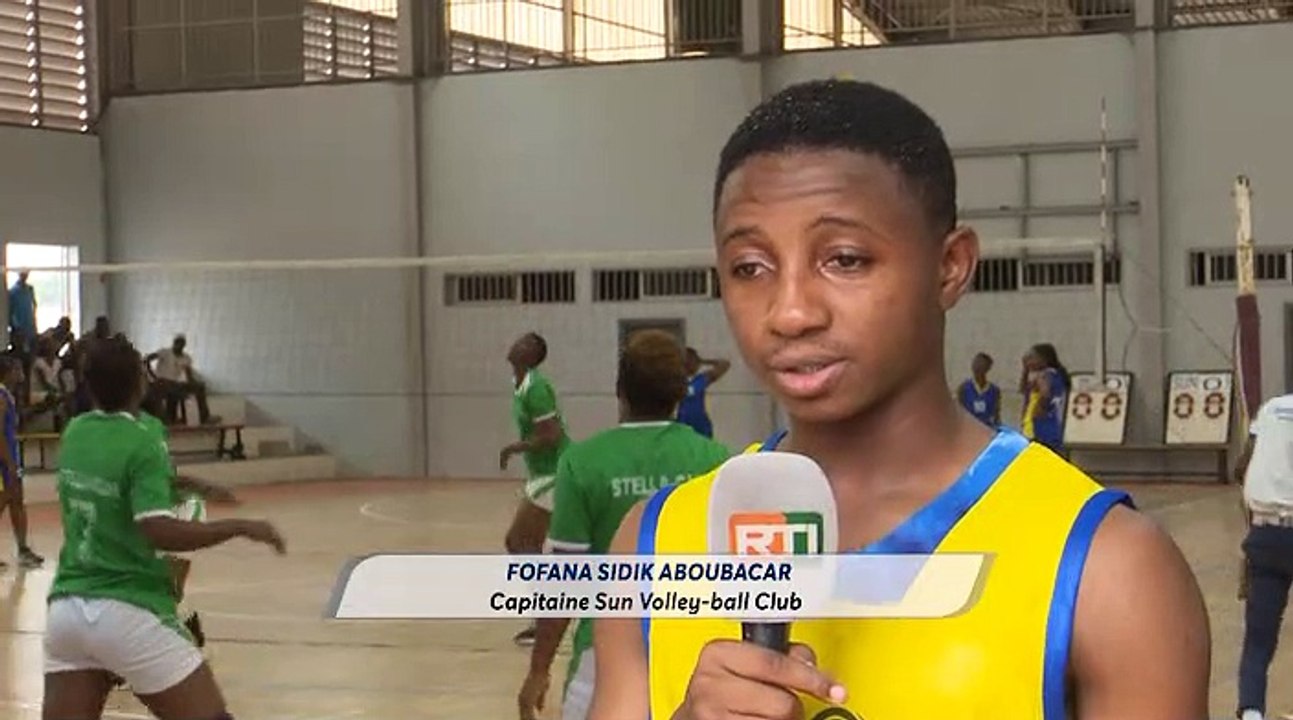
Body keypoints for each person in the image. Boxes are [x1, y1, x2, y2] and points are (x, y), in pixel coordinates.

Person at [588, 79, 1210, 720]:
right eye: (751, 266)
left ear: (951, 267)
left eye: (846, 259)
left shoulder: (1108, 569)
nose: (791, 311)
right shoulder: (653, 544)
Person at [42, 334, 285, 720]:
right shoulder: (146, 436)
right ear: (141, 383)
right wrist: (239, 526)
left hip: (67, 613)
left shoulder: (75, 432)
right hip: (126, 610)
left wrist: (183, 483)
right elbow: (158, 528)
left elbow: (113, 479)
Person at [517, 329, 731, 720]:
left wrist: (538, 669)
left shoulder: (583, 463)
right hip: (692, 651)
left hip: (601, 657)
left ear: (621, 390)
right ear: (680, 393)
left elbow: (567, 578)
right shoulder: (716, 460)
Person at [499, 331, 571, 646]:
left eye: (526, 343)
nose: (516, 343)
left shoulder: (537, 387)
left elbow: (551, 434)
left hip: (555, 472)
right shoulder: (521, 386)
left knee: (519, 540)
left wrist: (515, 447)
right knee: (535, 544)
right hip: (543, 473)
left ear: (533, 355)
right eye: (519, 339)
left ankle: (549, 611)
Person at [1233, 391, 1293, 720]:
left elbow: (1242, 466)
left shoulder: (1272, 407)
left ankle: (1252, 711)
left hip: (1265, 534)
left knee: (1258, 639)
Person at [0, 355, 42, 569]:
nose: (21, 373)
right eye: (17, 369)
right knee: (7, 501)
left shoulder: (9, 396)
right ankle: (23, 549)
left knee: (17, 502)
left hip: (10, 457)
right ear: (8, 372)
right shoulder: (0, 396)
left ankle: (23, 549)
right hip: (4, 460)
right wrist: (9, 463)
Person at [147, 334, 220, 426]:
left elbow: (188, 374)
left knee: (199, 387)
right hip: (162, 381)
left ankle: (204, 417)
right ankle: (169, 417)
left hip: (175, 383)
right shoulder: (165, 352)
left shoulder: (186, 358)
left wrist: (193, 383)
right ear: (174, 343)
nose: (178, 346)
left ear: (183, 346)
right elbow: (148, 358)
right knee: (169, 388)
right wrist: (152, 375)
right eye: (176, 343)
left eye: (181, 344)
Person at [1021, 342, 1070, 453]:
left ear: (1044, 359)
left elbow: (1045, 394)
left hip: (1044, 426)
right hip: (1055, 426)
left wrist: (1038, 409)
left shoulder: (1044, 375)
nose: (1029, 361)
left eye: (1032, 358)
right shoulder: (1058, 374)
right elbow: (1025, 389)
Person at [675, 347, 731, 439]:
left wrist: (703, 361)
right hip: (682, 425)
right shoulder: (675, 381)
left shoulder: (700, 380)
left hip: (701, 426)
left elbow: (724, 364)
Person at [957, 352, 1001, 427]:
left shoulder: (994, 391)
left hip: (986, 429)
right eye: (975, 363)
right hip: (969, 429)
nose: (977, 367)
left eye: (980, 364)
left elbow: (996, 415)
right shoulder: (964, 388)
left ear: (987, 368)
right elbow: (959, 411)